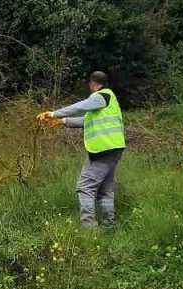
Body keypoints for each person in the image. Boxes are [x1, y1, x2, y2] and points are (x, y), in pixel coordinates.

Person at [37, 71, 126, 228]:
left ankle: (89, 230)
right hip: (112, 149)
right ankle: (108, 226)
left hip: (103, 150)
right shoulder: (107, 101)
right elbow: (87, 119)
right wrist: (62, 121)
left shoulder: (102, 96)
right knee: (105, 190)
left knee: (85, 187)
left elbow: (80, 106)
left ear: (92, 84)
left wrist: (54, 113)